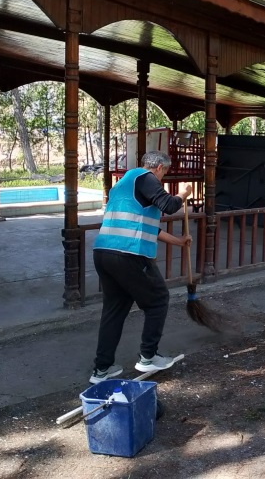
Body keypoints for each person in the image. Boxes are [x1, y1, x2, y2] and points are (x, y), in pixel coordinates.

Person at [89, 150, 193, 384]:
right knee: (157, 300)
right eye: (164, 173)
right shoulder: (146, 178)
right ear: (158, 168)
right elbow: (168, 205)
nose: (162, 178)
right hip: (129, 254)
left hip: (104, 253)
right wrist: (184, 194)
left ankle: (101, 370)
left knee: (114, 311)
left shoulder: (123, 185)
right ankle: (148, 356)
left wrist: (178, 241)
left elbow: (145, 226)